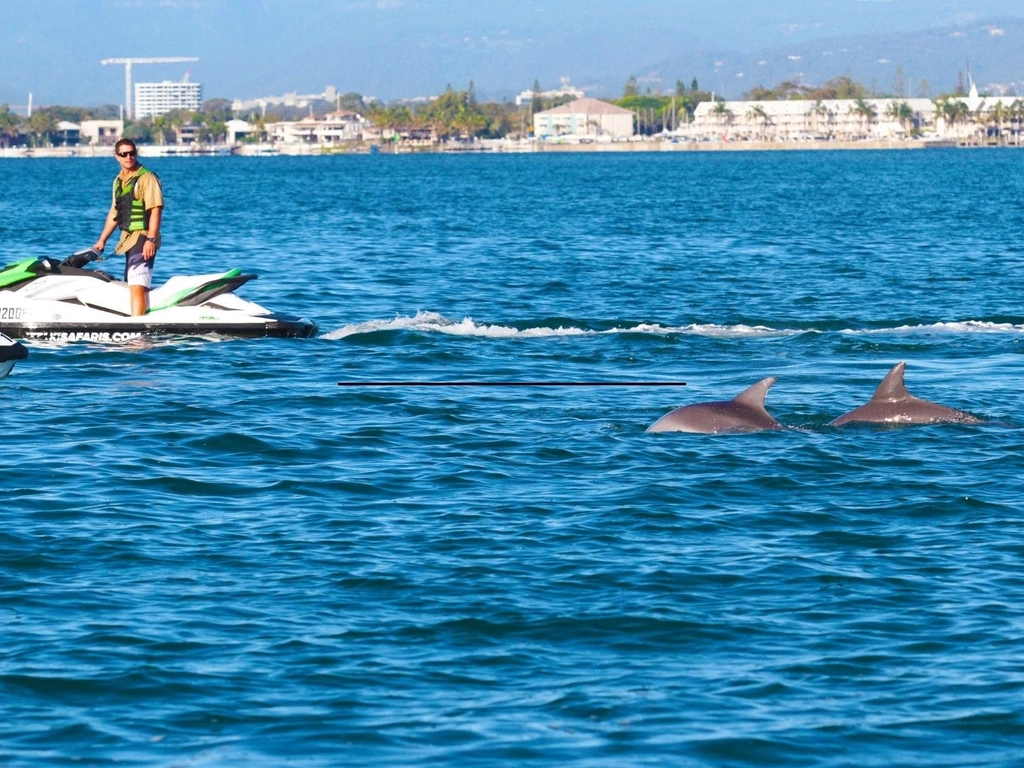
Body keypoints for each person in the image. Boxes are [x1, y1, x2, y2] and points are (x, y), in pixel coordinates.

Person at [92, 139, 164, 316]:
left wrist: (151, 239)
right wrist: (102, 240)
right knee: (133, 282)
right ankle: (144, 320)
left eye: (132, 153)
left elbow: (156, 209)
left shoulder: (147, 177)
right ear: (117, 157)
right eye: (124, 154)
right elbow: (114, 213)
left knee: (137, 283)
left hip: (143, 236)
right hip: (127, 239)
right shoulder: (118, 181)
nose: (129, 157)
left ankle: (138, 330)